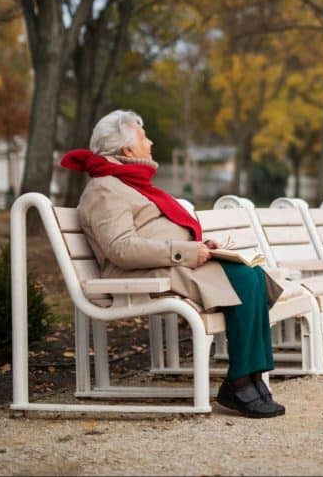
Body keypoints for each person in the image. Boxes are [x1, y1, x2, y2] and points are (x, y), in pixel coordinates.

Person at [60, 109, 286, 417]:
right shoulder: (105, 188)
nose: (150, 142)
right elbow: (121, 248)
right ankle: (240, 382)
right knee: (245, 280)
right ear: (127, 150)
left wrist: (200, 248)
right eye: (143, 137)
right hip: (140, 274)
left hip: (168, 264)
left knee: (252, 275)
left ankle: (251, 377)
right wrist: (186, 252)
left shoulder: (126, 182)